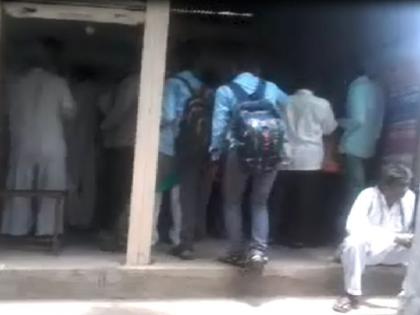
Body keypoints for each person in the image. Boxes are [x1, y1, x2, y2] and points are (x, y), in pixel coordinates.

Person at [210, 44, 288, 268]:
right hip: (270, 150)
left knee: (232, 201)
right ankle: (258, 252)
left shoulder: (225, 91)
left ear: (234, 68)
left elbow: (219, 125)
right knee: (260, 202)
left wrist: (215, 152)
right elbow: (289, 104)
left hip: (239, 150)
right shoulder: (271, 87)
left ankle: (235, 251)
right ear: (258, 70)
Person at [1, 41, 76, 236]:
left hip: (23, 141)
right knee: (52, 187)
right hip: (51, 142)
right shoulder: (59, 82)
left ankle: (15, 229)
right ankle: (47, 230)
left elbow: (7, 113)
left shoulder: (16, 83)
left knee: (20, 186)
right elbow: (69, 113)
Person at [157, 41, 215, 260]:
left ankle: (163, 238)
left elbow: (169, 116)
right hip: (199, 146)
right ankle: (181, 237)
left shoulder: (172, 83)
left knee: (164, 191)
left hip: (173, 144)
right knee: (185, 193)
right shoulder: (203, 87)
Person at [333, 163, 415, 313]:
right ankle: (351, 294)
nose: (405, 190)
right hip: (371, 250)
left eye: (407, 185)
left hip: (397, 252)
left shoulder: (410, 197)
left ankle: (410, 296)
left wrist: (411, 239)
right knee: (353, 243)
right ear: (385, 185)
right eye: (400, 186)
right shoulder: (368, 195)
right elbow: (353, 226)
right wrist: (394, 238)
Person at [277, 82, 338, 248]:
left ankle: (283, 235)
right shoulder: (322, 103)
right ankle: (304, 237)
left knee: (287, 198)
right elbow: (329, 129)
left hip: (286, 155)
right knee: (307, 200)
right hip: (311, 157)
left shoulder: (283, 101)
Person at [339, 66, 385, 209]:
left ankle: (352, 225)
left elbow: (358, 120)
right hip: (370, 144)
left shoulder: (357, 87)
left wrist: (340, 124)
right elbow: (379, 121)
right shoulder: (379, 90)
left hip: (354, 145)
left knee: (355, 188)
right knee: (367, 188)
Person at [67, 65, 99, 229]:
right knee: (89, 183)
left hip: (74, 139)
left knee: (71, 180)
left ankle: (72, 218)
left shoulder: (75, 91)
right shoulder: (97, 92)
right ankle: (86, 219)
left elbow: (70, 117)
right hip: (92, 140)